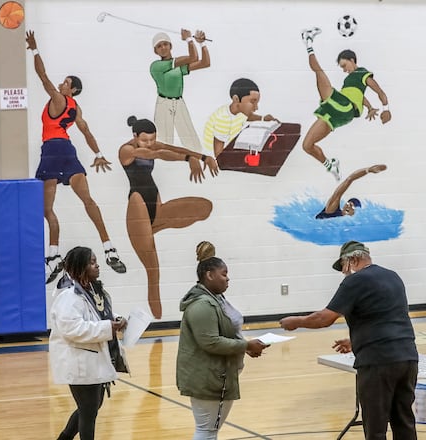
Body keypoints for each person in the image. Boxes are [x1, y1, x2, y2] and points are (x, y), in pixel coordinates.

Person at [280, 240, 418, 440]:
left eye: (344, 267)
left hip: (378, 362)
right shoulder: (393, 276)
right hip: (407, 358)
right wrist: (356, 341)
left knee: (375, 427)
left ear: (352, 259)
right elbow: (387, 317)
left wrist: (296, 322)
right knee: (403, 421)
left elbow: (324, 319)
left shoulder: (355, 281)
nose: (343, 273)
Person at [25, 30, 127, 284]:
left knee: (47, 209)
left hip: (52, 150)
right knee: (88, 201)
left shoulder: (59, 100)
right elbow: (86, 130)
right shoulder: (75, 109)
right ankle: (109, 247)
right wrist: (98, 153)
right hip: (69, 152)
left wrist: (35, 49)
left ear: (71, 89)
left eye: (66, 82)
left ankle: (53, 256)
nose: (61, 84)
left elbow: (42, 76)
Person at [119, 116, 218, 319]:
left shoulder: (150, 144)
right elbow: (157, 153)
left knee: (203, 208)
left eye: (152, 139)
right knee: (153, 270)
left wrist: (201, 157)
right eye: (145, 140)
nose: (149, 143)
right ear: (135, 136)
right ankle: (157, 320)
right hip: (137, 205)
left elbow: (176, 149)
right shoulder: (127, 150)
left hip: (155, 204)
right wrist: (186, 160)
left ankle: (152, 228)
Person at [177, 253, 268, 440]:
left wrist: (245, 346)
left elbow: (226, 332)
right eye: (224, 274)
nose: (228, 278)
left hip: (216, 374)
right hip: (208, 377)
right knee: (207, 431)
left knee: (209, 430)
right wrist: (245, 345)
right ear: (209, 275)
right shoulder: (202, 304)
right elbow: (210, 342)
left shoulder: (216, 299)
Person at [48, 246, 128, 440]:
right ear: (80, 268)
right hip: (79, 362)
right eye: (92, 263)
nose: (97, 265)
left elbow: (98, 314)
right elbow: (72, 329)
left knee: (90, 407)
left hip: (94, 359)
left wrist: (116, 320)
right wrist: (108, 327)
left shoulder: (92, 290)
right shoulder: (68, 296)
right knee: (89, 411)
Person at [299, 28, 391, 181]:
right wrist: (369, 107)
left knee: (319, 72)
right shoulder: (349, 81)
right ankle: (330, 165)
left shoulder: (362, 73)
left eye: (344, 65)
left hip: (344, 106)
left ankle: (308, 42)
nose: (344, 69)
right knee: (307, 146)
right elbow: (359, 95)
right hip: (337, 113)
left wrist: (386, 109)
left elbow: (379, 91)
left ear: (352, 60)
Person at [150, 29, 210, 151]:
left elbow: (205, 63)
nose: (163, 48)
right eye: (159, 46)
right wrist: (189, 40)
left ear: (170, 46)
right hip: (163, 104)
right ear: (155, 51)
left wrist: (202, 44)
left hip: (179, 103)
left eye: (165, 44)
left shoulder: (178, 66)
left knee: (192, 141)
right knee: (164, 142)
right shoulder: (156, 66)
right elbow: (193, 57)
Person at [202, 78, 277, 157]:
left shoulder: (239, 110)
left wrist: (263, 118)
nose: (256, 108)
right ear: (236, 99)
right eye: (252, 102)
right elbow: (219, 156)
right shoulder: (223, 119)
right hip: (216, 154)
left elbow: (248, 116)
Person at [316, 164, 387, 219]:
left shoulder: (353, 224)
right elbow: (349, 179)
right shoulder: (332, 211)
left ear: (355, 212)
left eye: (351, 206)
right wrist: (368, 170)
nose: (348, 206)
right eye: (347, 204)